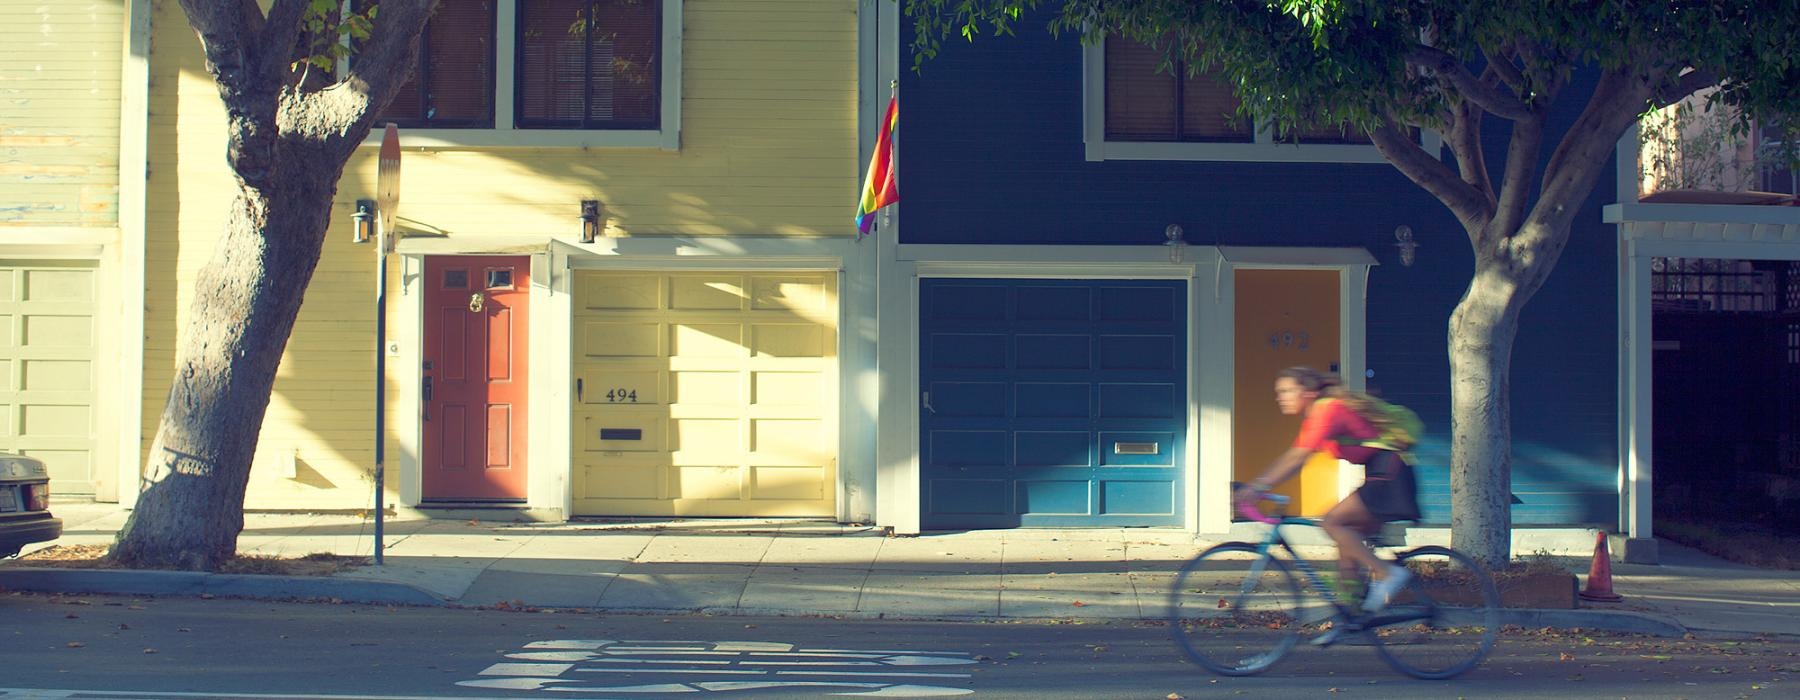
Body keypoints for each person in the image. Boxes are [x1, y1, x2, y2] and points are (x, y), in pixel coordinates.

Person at [1233, 366, 1422, 621]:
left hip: (1390, 474)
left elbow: (1297, 457)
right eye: (1279, 392)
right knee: (1347, 539)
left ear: (1309, 393)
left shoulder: (1328, 410)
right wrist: (1260, 485)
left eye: (1287, 390)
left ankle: (1388, 574)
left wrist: (1256, 488)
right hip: (1383, 472)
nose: (1281, 397)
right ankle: (1352, 617)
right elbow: (1297, 457)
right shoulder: (1318, 415)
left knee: (1331, 522)